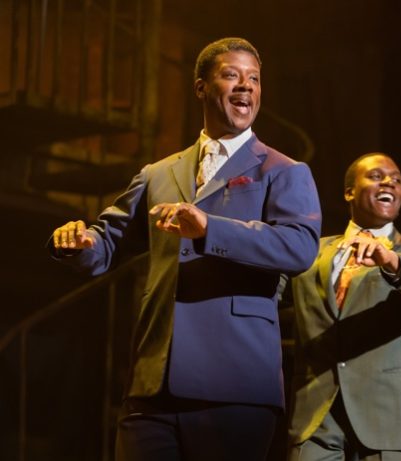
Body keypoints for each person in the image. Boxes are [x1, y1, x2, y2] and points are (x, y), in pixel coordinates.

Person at [50, 37, 322, 461]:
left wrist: (210, 228)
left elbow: (299, 246)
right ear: (201, 87)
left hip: (235, 385)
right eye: (231, 75)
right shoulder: (158, 172)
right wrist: (80, 244)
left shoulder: (284, 170)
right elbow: (108, 241)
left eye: (254, 79)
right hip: (153, 383)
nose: (245, 86)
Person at [287, 152, 401, 461]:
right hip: (315, 417)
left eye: (397, 180)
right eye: (376, 176)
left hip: (387, 419)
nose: (389, 182)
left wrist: (389, 259)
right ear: (349, 192)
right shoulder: (312, 250)